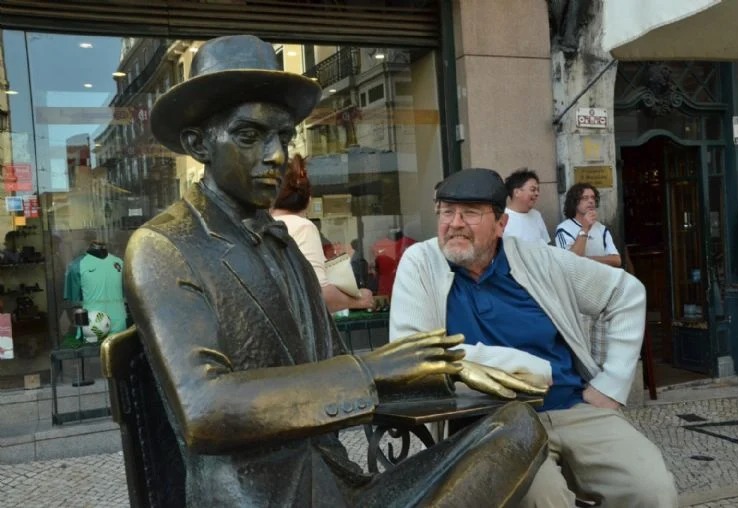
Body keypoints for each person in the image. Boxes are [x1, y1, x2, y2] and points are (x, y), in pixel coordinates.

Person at [126, 35, 549, 506]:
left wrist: (444, 370)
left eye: (283, 138)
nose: (276, 156)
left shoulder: (283, 245)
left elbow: (335, 363)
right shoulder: (164, 246)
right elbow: (205, 410)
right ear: (198, 143)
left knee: (517, 427)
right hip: (262, 498)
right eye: (249, 136)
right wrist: (373, 369)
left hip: (337, 484)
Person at [389, 168, 677, 507]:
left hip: (570, 406)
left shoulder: (538, 259)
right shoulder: (422, 263)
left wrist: (611, 383)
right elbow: (413, 355)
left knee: (652, 489)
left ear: (501, 224)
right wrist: (525, 366)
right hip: (489, 421)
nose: (455, 223)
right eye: (446, 212)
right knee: (544, 498)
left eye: (470, 213)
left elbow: (625, 293)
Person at [272, 154, 375, 312]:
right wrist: (359, 300)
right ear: (309, 199)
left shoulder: (265, 225)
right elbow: (318, 294)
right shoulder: (302, 227)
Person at [555, 182, 621, 267]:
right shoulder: (564, 229)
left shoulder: (601, 228)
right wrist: (585, 228)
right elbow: (571, 262)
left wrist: (586, 259)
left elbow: (616, 260)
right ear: (574, 202)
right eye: (585, 198)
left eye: (593, 197)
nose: (591, 201)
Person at [502, 167, 550, 244]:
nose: (537, 193)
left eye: (538, 190)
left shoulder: (536, 215)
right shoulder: (501, 217)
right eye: (533, 190)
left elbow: (546, 245)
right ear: (517, 192)